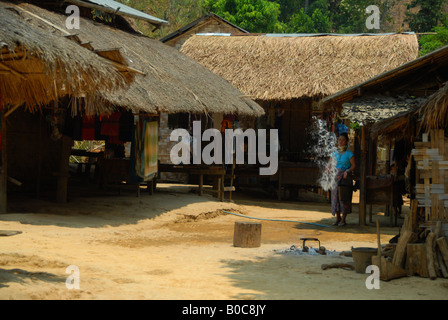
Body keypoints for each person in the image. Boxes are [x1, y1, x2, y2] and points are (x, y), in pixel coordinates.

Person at [331, 132, 356, 226]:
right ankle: (338, 218)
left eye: (343, 140)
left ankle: (343, 219)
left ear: (346, 142)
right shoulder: (334, 153)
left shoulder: (349, 154)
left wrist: (347, 171)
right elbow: (330, 165)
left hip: (345, 179)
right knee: (335, 198)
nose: (340, 142)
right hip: (335, 179)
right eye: (339, 140)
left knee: (344, 198)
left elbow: (353, 166)